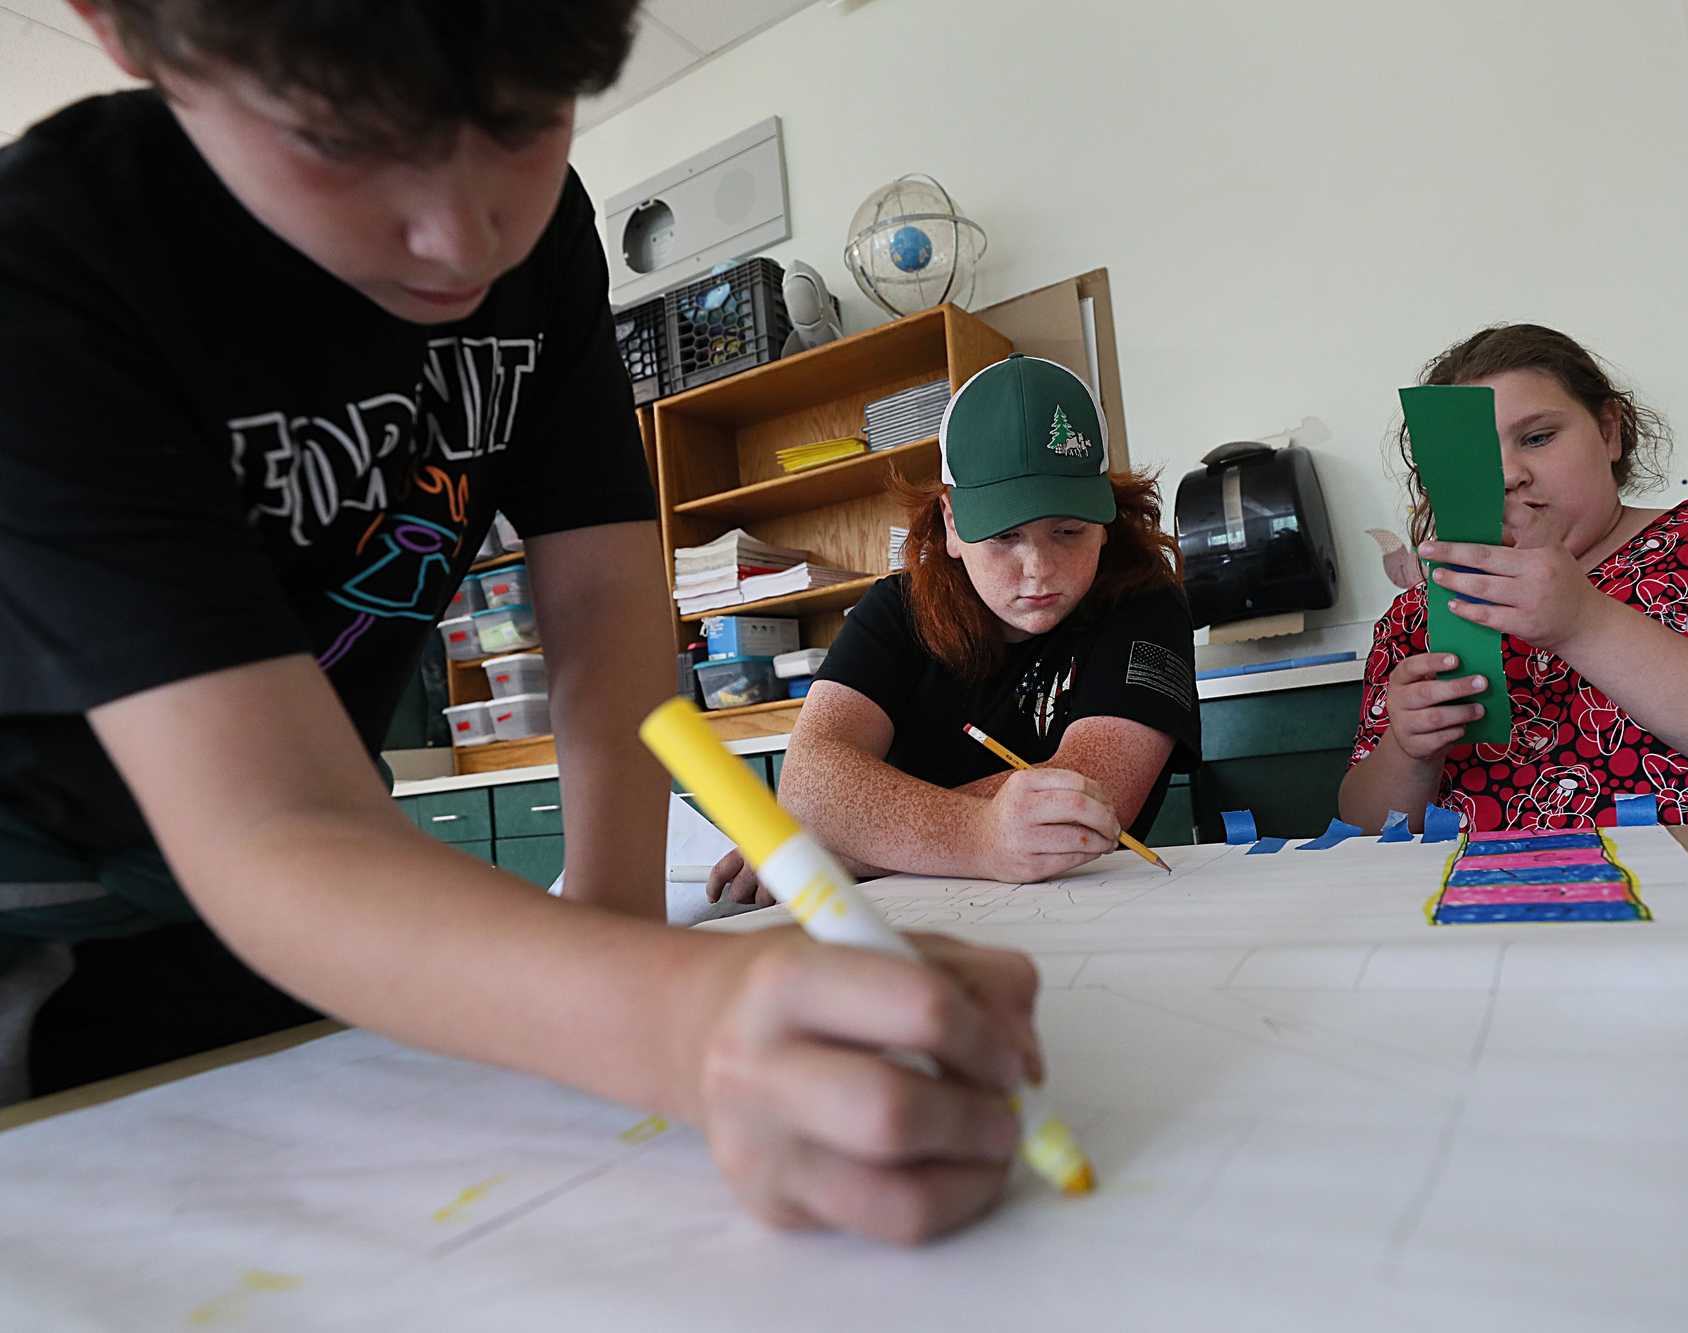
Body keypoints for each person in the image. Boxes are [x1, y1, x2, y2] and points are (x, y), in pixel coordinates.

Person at [0, 1, 1041, 1245]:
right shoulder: (51, 270)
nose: (461, 235)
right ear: (119, 26)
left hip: (304, 863)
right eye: (337, 141)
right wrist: (674, 1016)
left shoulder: (536, 234)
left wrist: (616, 943)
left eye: (522, 125)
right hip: (40, 894)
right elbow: (273, 820)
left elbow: (603, 607)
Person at [1340, 324, 1688, 834]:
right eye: (1471, 453)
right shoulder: (1417, 617)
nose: (1506, 474)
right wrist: (1408, 752)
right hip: (1480, 914)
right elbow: (1362, 830)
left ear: (1608, 431)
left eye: (1538, 437)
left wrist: (1583, 623)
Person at [707, 355, 1200, 906]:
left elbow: (1086, 799)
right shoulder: (896, 610)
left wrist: (845, 841)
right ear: (952, 524)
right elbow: (811, 785)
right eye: (1003, 536)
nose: (1038, 569)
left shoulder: (1144, 601)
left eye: (1068, 531)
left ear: (1106, 522)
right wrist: (979, 835)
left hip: (1094, 908)